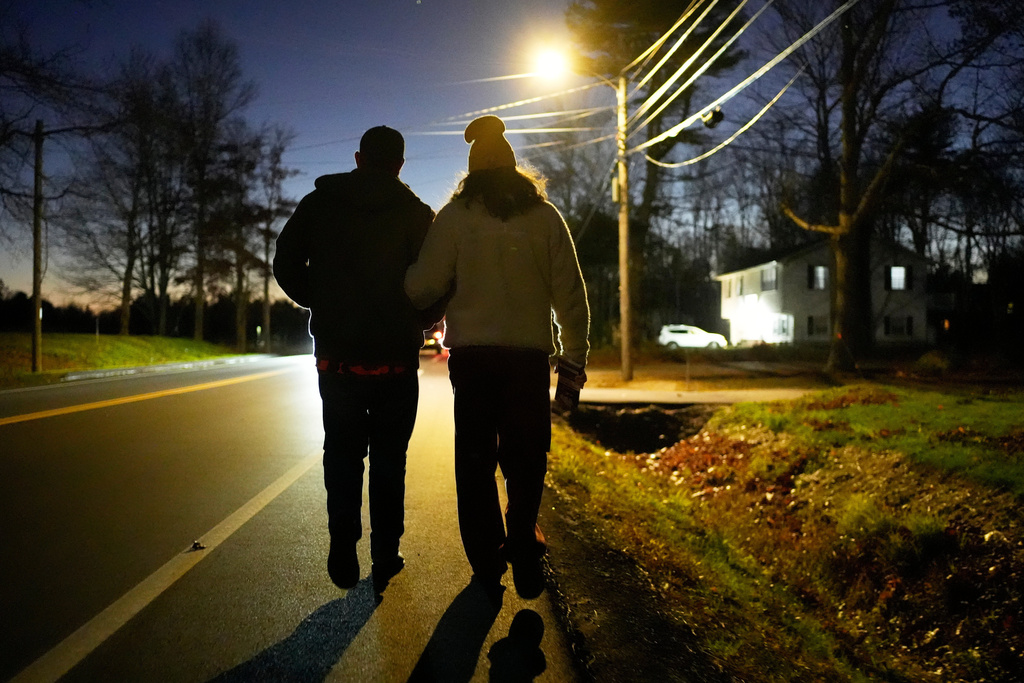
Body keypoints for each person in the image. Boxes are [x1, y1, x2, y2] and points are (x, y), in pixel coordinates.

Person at [404, 115, 590, 600]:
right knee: (527, 458)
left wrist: (405, 278)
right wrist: (575, 357)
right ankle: (525, 540)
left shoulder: (456, 216)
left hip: (474, 359)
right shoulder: (545, 217)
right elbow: (571, 294)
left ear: (471, 172)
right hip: (527, 359)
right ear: (513, 169)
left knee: (475, 459)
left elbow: (422, 285)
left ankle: (488, 562)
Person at [274, 125, 440, 592]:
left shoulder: (319, 204)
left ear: (358, 158)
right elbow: (436, 281)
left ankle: (342, 540)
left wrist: (320, 302)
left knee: (342, 454)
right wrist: (422, 320)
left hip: (337, 360)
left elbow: (284, 262)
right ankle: (386, 554)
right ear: (400, 165)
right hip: (394, 362)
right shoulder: (416, 215)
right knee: (391, 460)